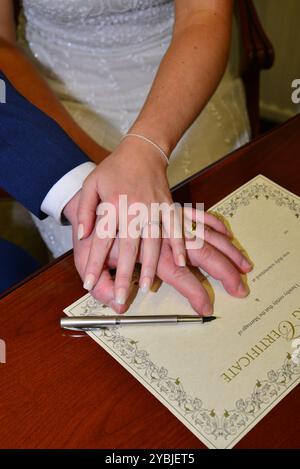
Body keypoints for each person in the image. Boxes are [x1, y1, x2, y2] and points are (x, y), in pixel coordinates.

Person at [0, 0, 252, 314]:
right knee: (131, 297)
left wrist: (147, 148)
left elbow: (204, 15)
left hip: (185, 86)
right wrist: (94, 177)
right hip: (51, 108)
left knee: (228, 249)